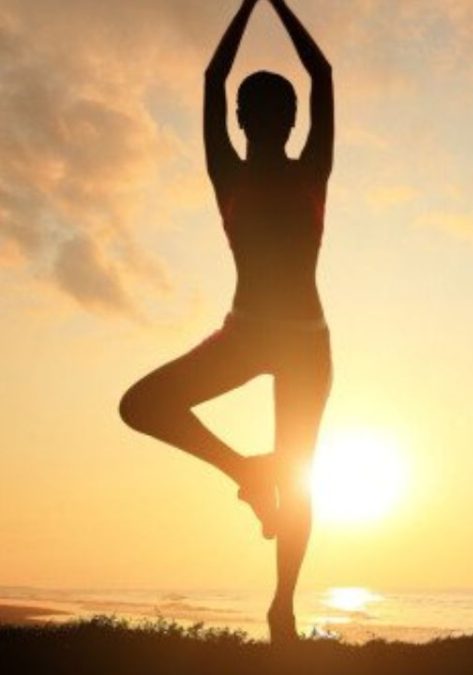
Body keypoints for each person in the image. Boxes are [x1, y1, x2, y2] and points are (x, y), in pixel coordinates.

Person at [118, 0, 334, 644]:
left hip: (306, 344)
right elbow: (214, 80)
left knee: (298, 477)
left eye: (282, 111)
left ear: (293, 120)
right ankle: (244, 472)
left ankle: (283, 611)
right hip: (243, 333)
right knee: (141, 404)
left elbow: (320, 75)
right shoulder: (227, 172)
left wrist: (273, 4)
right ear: (241, 121)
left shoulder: (312, 171)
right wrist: (249, 5)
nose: (270, 118)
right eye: (257, 111)